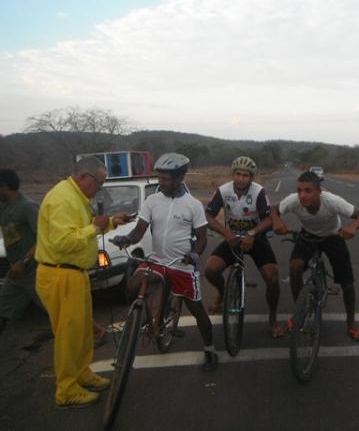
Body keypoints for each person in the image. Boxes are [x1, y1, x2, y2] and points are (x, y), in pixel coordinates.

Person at [35, 157, 131, 408]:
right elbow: (62, 241)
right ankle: (66, 390)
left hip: (75, 274)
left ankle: (81, 374)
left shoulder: (77, 197)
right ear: (83, 177)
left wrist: (110, 222)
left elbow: (84, 228)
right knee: (68, 335)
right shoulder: (62, 199)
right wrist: (93, 228)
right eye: (99, 183)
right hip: (60, 275)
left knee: (81, 332)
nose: (99, 189)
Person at [112, 153, 218, 371]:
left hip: (182, 264)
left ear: (179, 178)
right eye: (159, 178)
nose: (160, 182)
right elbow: (139, 230)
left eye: (165, 179)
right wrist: (127, 239)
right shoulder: (152, 201)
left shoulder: (193, 205)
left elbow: (202, 238)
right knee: (131, 286)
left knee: (197, 310)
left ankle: (210, 349)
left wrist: (195, 254)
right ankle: (144, 319)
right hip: (157, 261)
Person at [271, 171, 359, 341]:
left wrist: (353, 226)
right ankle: (299, 312)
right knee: (295, 267)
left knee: (347, 284)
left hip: (333, 236)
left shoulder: (331, 201)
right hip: (308, 236)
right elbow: (273, 209)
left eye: (308, 190)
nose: (302, 195)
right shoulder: (293, 200)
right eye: (299, 190)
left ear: (319, 191)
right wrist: (277, 221)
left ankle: (351, 324)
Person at [204, 156, 284, 337]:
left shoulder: (259, 192)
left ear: (252, 177)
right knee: (210, 270)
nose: (241, 178)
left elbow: (269, 218)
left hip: (256, 239)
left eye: (245, 175)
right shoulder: (223, 191)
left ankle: (273, 318)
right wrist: (226, 233)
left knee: (272, 277)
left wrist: (253, 233)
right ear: (233, 174)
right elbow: (208, 216)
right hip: (232, 238)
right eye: (238, 174)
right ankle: (221, 295)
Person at [0, 169, 43, 335]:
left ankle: (96, 331)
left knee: (57, 310)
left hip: (34, 272)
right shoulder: (5, 207)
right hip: (16, 275)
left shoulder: (27, 207)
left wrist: (23, 262)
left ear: (4, 186)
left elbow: (43, 238)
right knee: (2, 307)